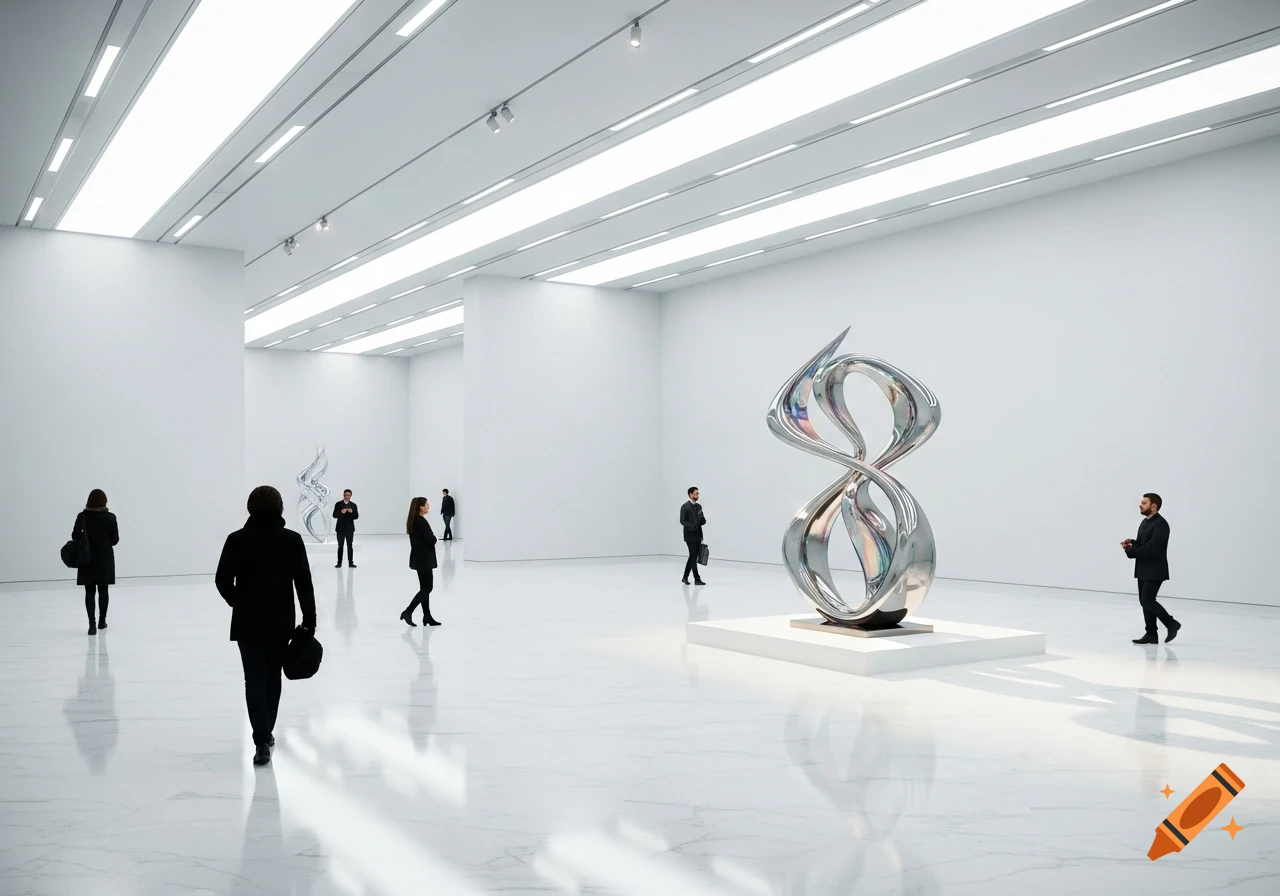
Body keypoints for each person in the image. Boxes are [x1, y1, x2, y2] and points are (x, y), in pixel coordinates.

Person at [216, 485, 316, 766]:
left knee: (253, 679)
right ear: (279, 508)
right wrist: (309, 622)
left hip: (247, 621)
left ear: (250, 507)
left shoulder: (237, 539)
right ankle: (266, 734)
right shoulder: (292, 540)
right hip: (280, 621)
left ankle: (261, 738)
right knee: (273, 677)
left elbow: (222, 581)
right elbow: (304, 585)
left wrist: (240, 602)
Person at [1122, 492, 1181, 645]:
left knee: (1148, 600)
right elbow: (1144, 543)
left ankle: (1171, 624)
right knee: (1144, 601)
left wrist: (1131, 551)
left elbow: (1152, 548)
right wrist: (1133, 543)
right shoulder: (1145, 522)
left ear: (1153, 506)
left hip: (1155, 569)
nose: (1140, 505)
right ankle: (1151, 634)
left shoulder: (1161, 524)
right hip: (1143, 568)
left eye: (1144, 503)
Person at [73, 489, 118, 635]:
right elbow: (115, 540)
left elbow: (74, 536)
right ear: (104, 501)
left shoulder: (82, 516)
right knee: (103, 589)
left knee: (89, 591)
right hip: (104, 558)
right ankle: (102, 621)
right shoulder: (111, 517)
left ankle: (91, 625)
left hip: (87, 558)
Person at [401, 496, 440, 627]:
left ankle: (427, 616)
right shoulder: (421, 521)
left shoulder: (413, 520)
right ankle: (408, 611)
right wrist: (435, 538)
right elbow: (431, 539)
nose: (428, 506)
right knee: (428, 588)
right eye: (426, 504)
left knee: (424, 588)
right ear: (420, 507)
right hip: (425, 558)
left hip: (419, 557)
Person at [680, 486, 706, 586]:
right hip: (689, 535)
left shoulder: (699, 506)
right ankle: (697, 578)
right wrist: (692, 526)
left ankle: (685, 577)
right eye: (695, 493)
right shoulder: (685, 506)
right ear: (690, 494)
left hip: (698, 535)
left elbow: (703, 521)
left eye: (698, 493)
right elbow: (682, 521)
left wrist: (701, 519)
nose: (697, 495)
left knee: (693, 556)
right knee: (693, 556)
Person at [332, 489, 358, 568]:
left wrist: (352, 512)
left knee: (349, 546)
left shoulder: (353, 505)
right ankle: (339, 562)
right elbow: (334, 515)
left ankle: (350, 562)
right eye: (345, 495)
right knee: (340, 546)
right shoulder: (338, 504)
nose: (347, 497)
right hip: (340, 528)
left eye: (348, 495)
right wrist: (341, 512)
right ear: (343, 495)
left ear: (351, 496)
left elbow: (356, 516)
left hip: (349, 529)